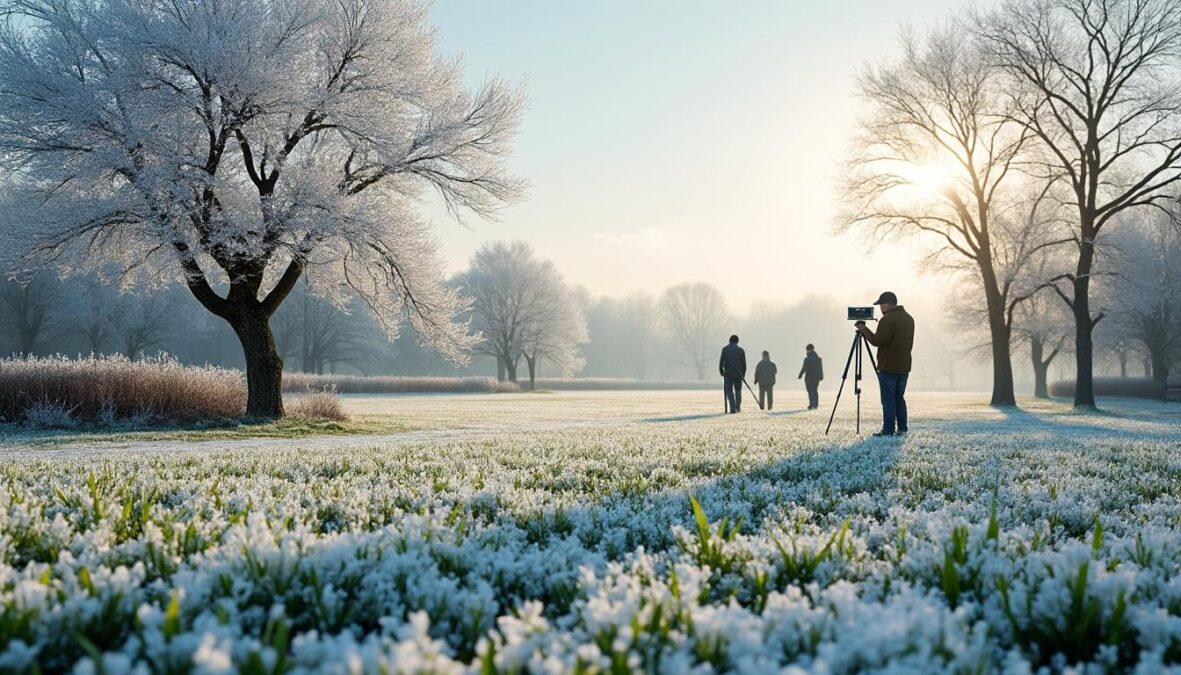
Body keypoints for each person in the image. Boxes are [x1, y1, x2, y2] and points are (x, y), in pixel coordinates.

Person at [856, 291, 914, 437]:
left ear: (887, 304)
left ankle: (888, 430)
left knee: (888, 399)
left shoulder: (887, 320)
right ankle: (902, 429)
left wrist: (863, 329)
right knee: (899, 398)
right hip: (904, 366)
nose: (880, 308)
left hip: (888, 366)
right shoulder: (909, 318)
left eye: (881, 304)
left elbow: (878, 341)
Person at [719, 334, 746, 413]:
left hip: (728, 373)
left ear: (729, 340)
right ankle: (737, 407)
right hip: (738, 374)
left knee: (729, 391)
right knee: (738, 391)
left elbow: (721, 362)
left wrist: (721, 371)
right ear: (737, 341)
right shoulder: (741, 350)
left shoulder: (725, 349)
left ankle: (732, 407)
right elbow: (744, 364)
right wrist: (743, 374)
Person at [798, 344, 823, 410]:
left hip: (809, 377)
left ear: (808, 350)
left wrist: (800, 375)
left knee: (810, 391)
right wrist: (821, 376)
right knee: (815, 390)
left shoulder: (807, 359)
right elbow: (820, 368)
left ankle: (811, 404)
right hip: (816, 377)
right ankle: (815, 404)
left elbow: (804, 368)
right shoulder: (818, 359)